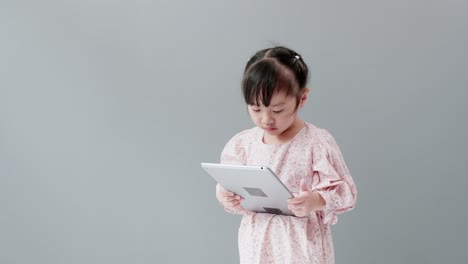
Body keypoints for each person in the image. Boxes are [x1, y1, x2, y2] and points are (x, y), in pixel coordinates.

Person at [215, 46, 357, 264]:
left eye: (278, 110)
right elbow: (233, 189)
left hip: (300, 245)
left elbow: (345, 192)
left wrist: (316, 200)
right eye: (255, 109)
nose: (266, 119)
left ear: (302, 98)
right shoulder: (244, 144)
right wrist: (227, 194)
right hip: (257, 244)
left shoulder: (315, 142)